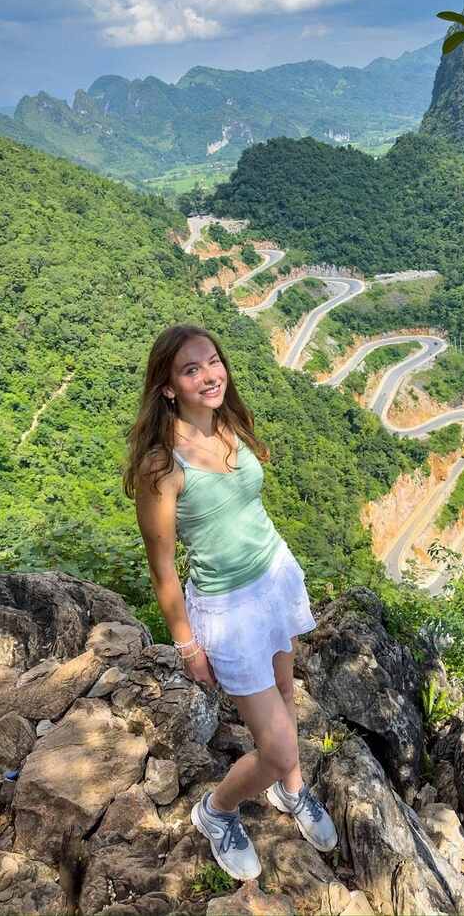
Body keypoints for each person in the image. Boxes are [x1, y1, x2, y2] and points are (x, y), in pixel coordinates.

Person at [124, 323, 338, 881]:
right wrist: (188, 645)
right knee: (276, 746)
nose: (208, 375)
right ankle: (215, 811)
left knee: (288, 696)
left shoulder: (227, 422)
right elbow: (162, 567)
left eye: (211, 362)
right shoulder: (161, 466)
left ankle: (291, 791)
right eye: (190, 370)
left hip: (274, 579)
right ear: (168, 387)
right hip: (228, 609)